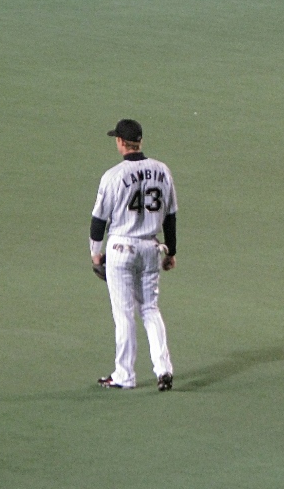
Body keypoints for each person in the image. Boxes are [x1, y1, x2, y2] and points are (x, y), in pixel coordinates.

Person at [89, 119, 178, 391]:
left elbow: (98, 221)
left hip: (120, 249)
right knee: (150, 309)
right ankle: (163, 369)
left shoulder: (113, 176)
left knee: (124, 313)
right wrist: (171, 251)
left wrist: (95, 254)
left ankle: (124, 375)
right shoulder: (162, 171)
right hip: (151, 248)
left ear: (120, 142)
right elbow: (171, 217)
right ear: (139, 141)